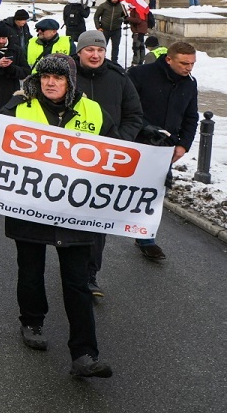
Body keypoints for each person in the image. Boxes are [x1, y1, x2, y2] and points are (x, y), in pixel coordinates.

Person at [0, 54, 113, 378]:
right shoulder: (21, 107)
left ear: (70, 82)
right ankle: (31, 321)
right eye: (45, 76)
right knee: (30, 271)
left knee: (77, 282)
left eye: (58, 78)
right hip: (28, 208)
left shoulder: (94, 111)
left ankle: (84, 353)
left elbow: (118, 149)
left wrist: (149, 154)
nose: (50, 82)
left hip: (75, 213)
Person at [72, 30, 144, 295]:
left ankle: (90, 274)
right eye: (90, 50)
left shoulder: (119, 79)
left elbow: (134, 115)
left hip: (105, 163)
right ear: (79, 52)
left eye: (100, 50)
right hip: (68, 161)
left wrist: (118, 143)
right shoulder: (66, 74)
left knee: (96, 220)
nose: (95, 54)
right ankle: (70, 267)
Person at [128, 41, 199, 262]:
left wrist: (183, 145)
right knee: (121, 189)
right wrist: (142, 128)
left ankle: (146, 238)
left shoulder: (189, 84)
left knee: (156, 193)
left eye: (192, 64)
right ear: (169, 59)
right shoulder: (140, 74)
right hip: (135, 143)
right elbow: (126, 108)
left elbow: (191, 117)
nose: (188, 68)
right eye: (184, 63)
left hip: (165, 148)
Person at [94, 0, 125, 64]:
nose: (115, 0)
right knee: (102, 46)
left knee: (115, 46)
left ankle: (114, 61)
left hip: (116, 30)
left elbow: (125, 17)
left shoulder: (121, 6)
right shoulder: (103, 6)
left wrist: (122, 19)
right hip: (105, 29)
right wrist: (98, 27)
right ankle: (101, 60)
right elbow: (96, 16)